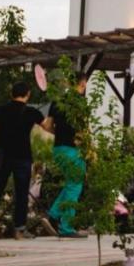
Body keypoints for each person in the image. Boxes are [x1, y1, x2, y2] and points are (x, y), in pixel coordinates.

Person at [0, 81, 44, 239]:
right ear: (28, 94)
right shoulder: (31, 112)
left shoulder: (1, 110)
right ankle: (20, 229)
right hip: (22, 155)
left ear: (11, 94)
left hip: (4, 154)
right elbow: (46, 125)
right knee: (21, 194)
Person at [43, 75, 89, 238]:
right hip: (72, 150)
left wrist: (60, 134)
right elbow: (82, 131)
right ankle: (66, 227)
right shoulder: (80, 103)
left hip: (58, 149)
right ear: (83, 84)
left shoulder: (58, 101)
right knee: (75, 186)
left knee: (71, 184)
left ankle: (54, 215)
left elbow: (47, 126)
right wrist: (89, 149)